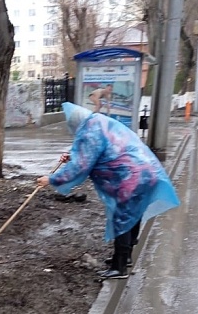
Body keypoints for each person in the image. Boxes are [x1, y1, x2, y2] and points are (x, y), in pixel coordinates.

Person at [37, 102, 180, 280]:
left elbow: (81, 166)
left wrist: (50, 179)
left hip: (130, 177)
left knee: (123, 218)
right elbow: (100, 151)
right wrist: (73, 156)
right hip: (146, 171)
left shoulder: (90, 131)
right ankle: (125, 257)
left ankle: (119, 268)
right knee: (133, 214)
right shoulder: (99, 122)